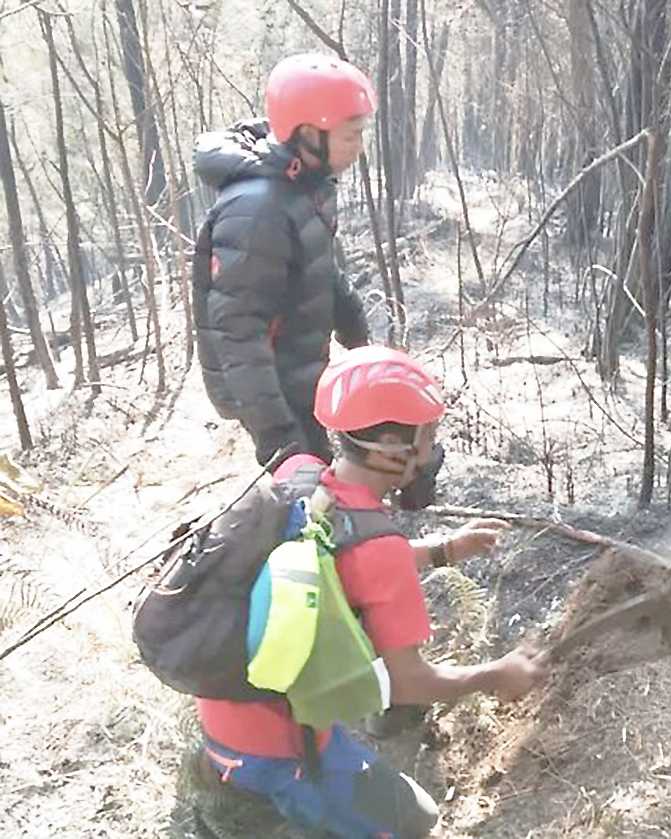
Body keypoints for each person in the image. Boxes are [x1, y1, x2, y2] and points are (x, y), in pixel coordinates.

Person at [196, 345, 546, 838]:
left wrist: (447, 548)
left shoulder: (300, 474)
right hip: (280, 751)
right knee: (414, 822)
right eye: (427, 438)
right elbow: (411, 681)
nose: (430, 453)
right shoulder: (378, 548)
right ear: (389, 446)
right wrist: (496, 674)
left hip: (226, 705)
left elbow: (339, 558)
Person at [192, 53, 375, 468]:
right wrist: (278, 439)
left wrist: (358, 339)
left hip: (302, 367)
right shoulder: (257, 210)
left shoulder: (305, 184)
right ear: (309, 134)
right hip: (270, 385)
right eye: (350, 137)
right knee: (311, 495)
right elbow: (237, 334)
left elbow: (317, 266)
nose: (358, 149)